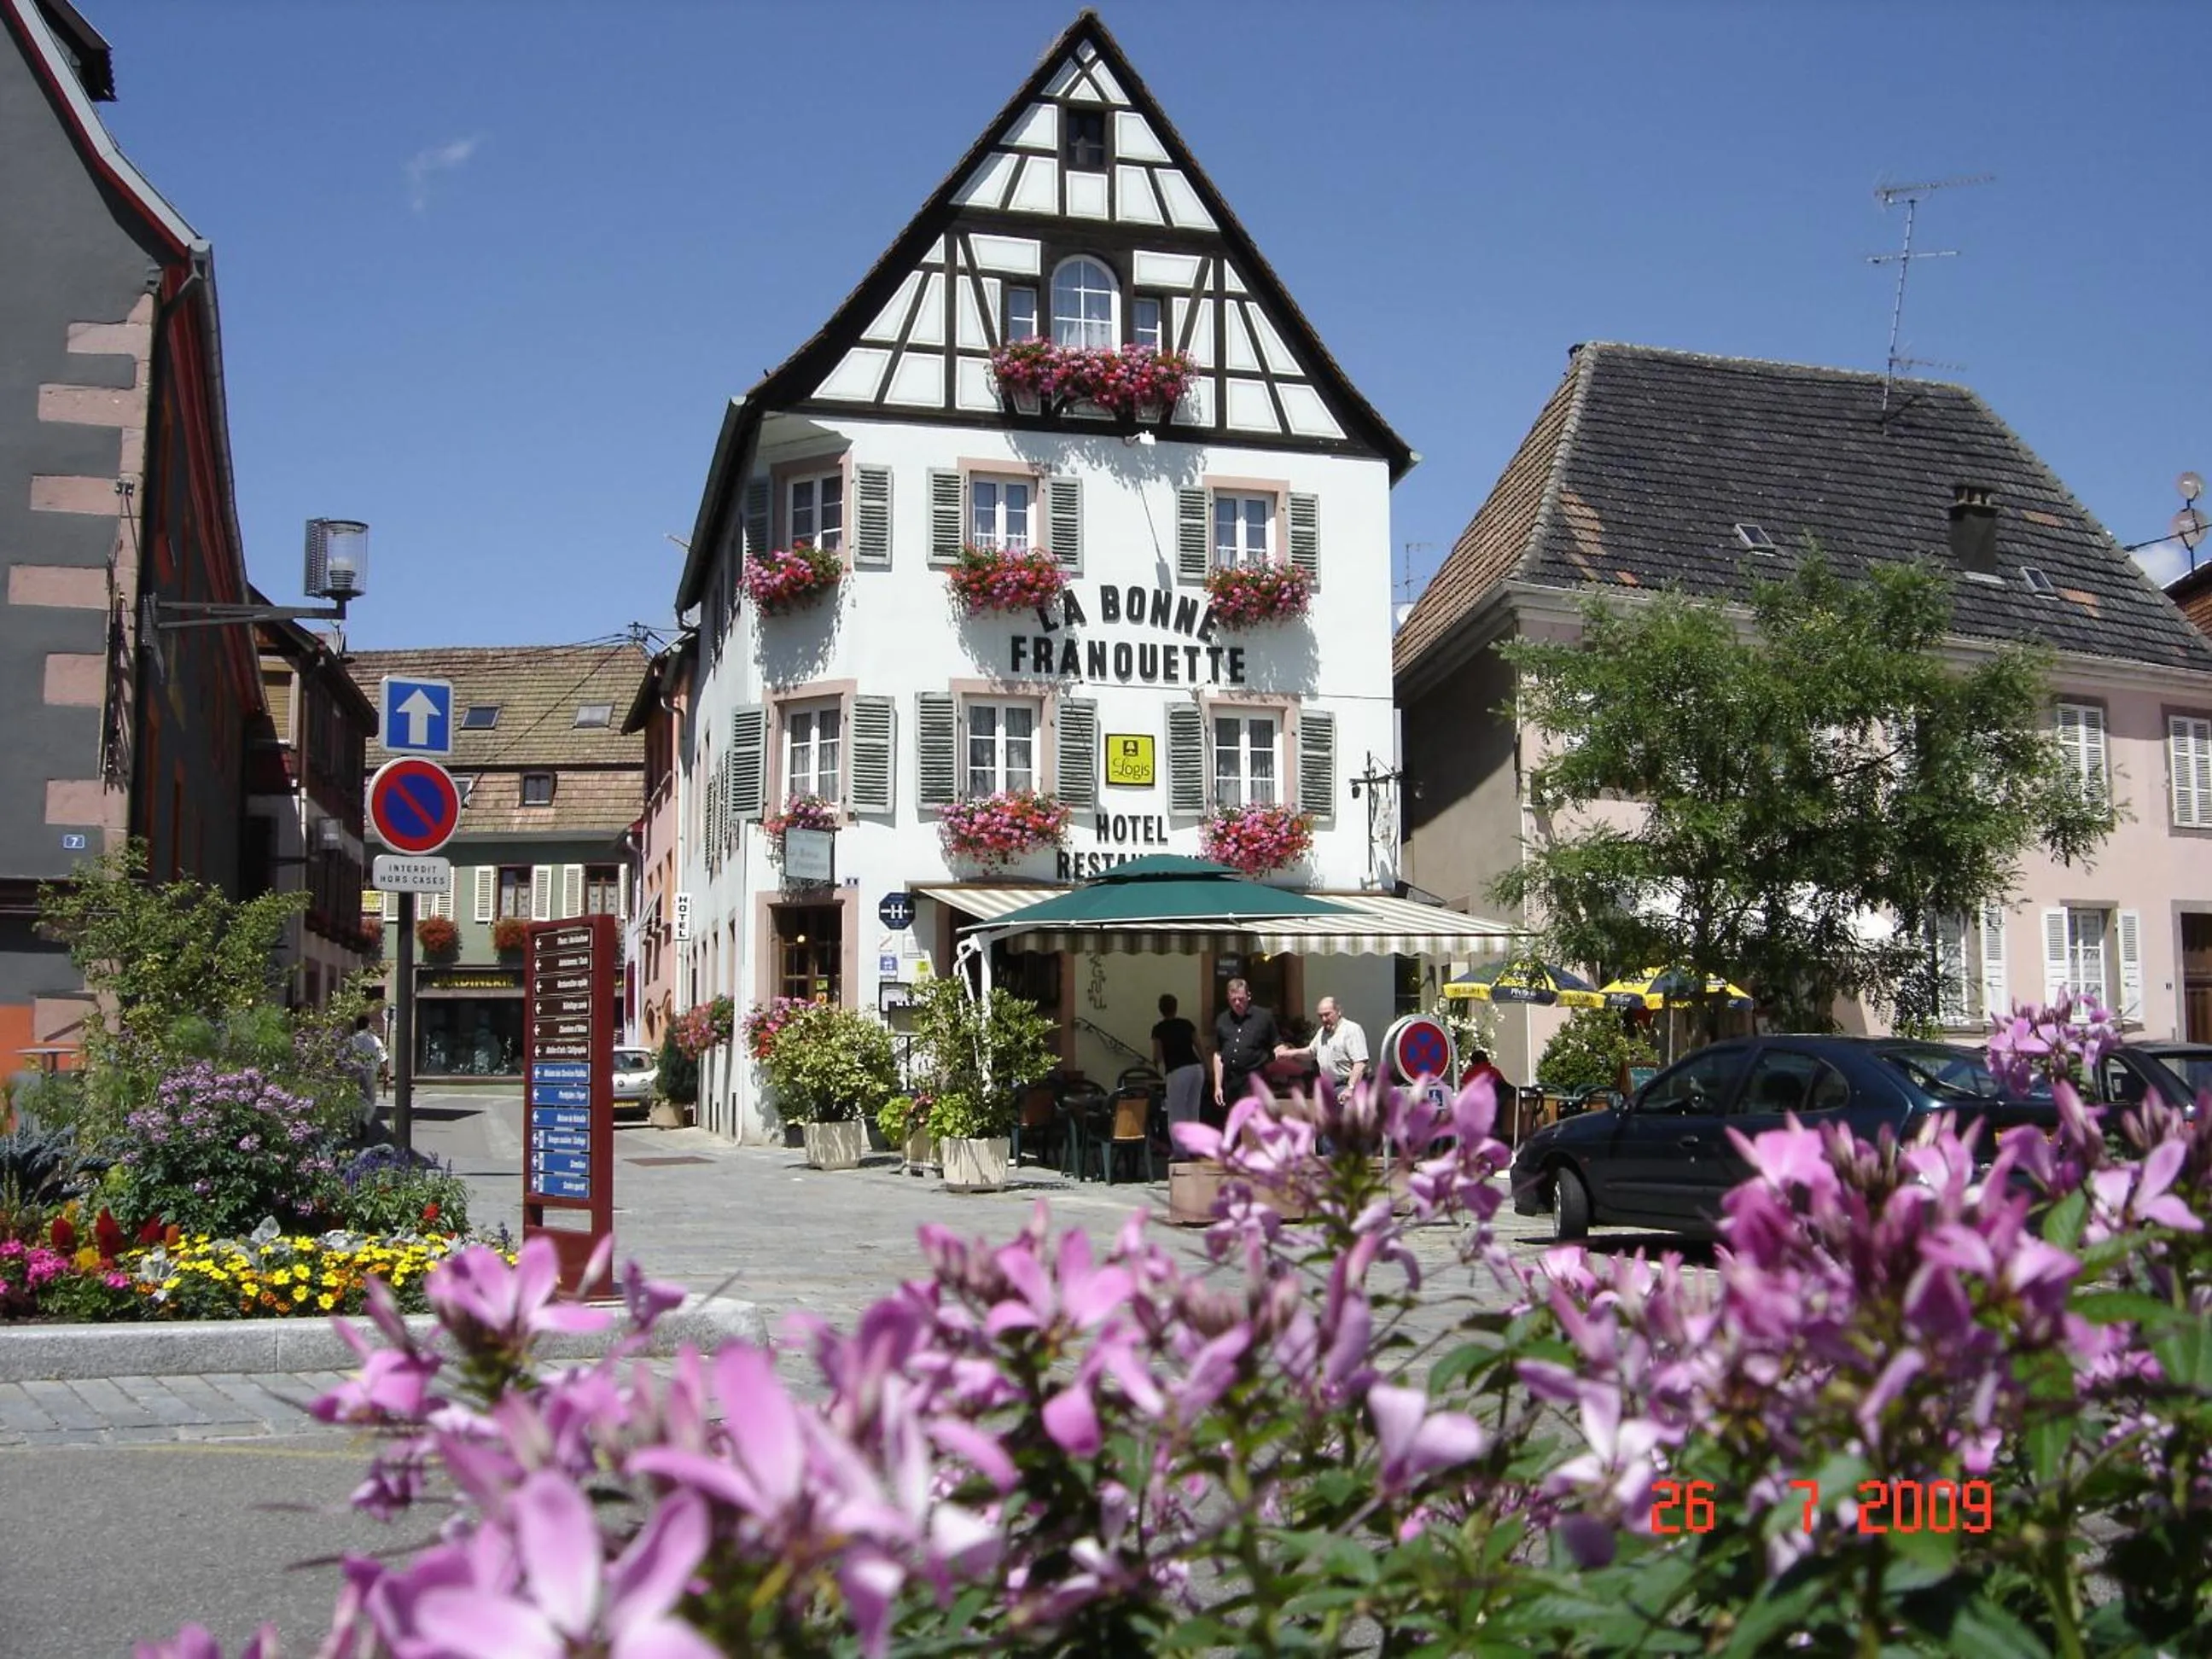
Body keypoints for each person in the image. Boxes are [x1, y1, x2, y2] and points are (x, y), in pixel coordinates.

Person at [1211, 977, 1280, 1121]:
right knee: (1233, 1122)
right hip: (1231, 1082)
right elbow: (1218, 1054)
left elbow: (1277, 1045)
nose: (1237, 1003)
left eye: (1241, 999)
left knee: (1250, 1121)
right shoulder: (1222, 1020)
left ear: (1249, 996)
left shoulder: (1264, 1017)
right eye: (1233, 999)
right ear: (1228, 998)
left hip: (1254, 1079)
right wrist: (1218, 1086)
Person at [1277, 996, 1370, 1100]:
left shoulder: (1351, 1030)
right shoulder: (1322, 1032)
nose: (1324, 1019)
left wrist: (1350, 1088)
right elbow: (1311, 1052)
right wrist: (1288, 1053)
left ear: (1338, 1011)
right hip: (1329, 1088)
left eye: (1327, 1014)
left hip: (1345, 1088)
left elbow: (1360, 1062)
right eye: (1320, 1016)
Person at [1150, 993, 1206, 1131]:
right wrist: (1207, 1066)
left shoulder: (1159, 1029)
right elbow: (1199, 1046)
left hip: (1177, 1071)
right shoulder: (1186, 1024)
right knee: (1193, 1110)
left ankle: (1180, 1150)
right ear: (1176, 1008)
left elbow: (1158, 1055)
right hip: (1196, 1068)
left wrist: (1156, 1063)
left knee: (1176, 1113)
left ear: (1160, 1009)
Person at [346, 1014, 387, 1132]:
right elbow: (381, 1057)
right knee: (371, 1099)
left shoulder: (352, 1039)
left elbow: (345, 1056)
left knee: (355, 1098)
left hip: (354, 1071)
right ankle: (365, 1121)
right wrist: (386, 1073)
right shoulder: (374, 1039)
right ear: (368, 1025)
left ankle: (355, 1123)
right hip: (370, 1071)